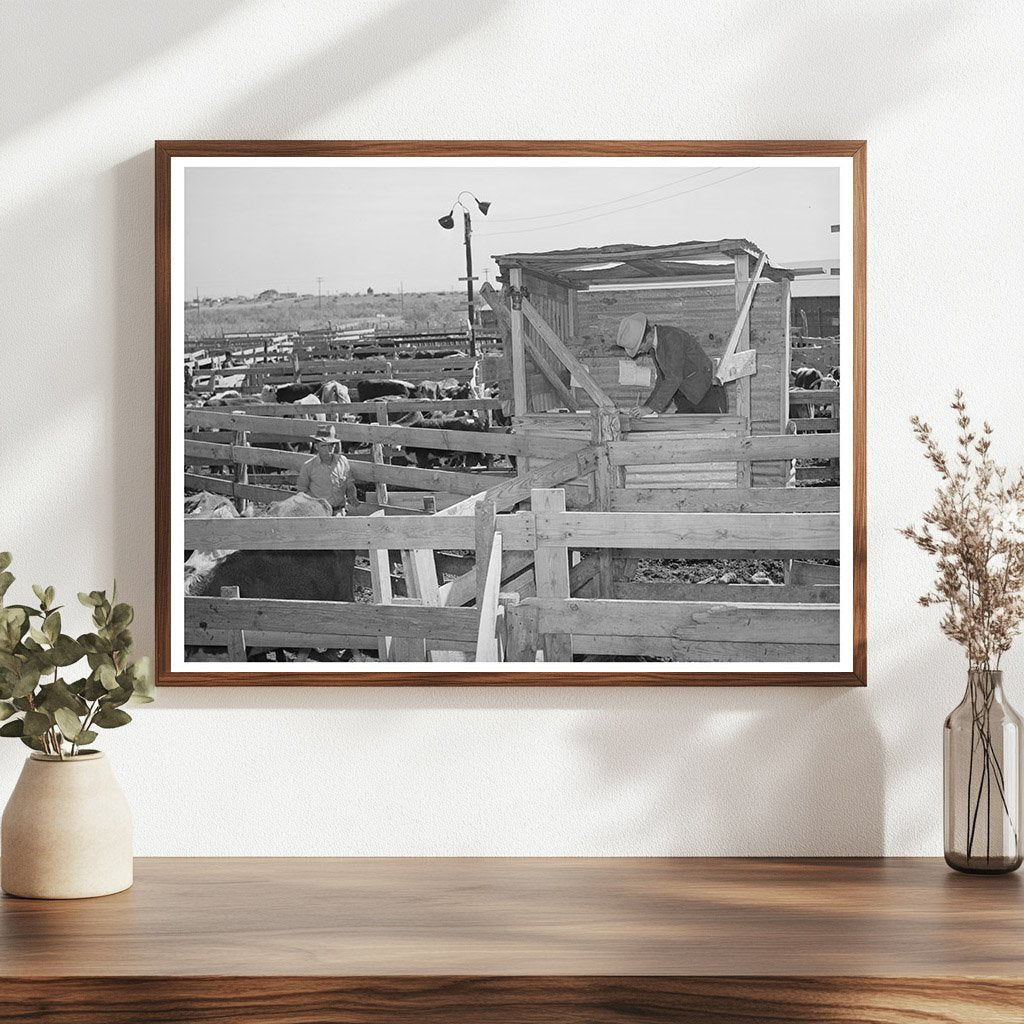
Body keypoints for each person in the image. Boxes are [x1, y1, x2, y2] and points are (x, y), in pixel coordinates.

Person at [615, 312, 727, 418]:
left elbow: (673, 379)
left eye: (639, 348)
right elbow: (662, 380)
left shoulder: (672, 338)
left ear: (647, 337)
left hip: (707, 396)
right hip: (686, 399)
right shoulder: (655, 348)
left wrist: (650, 408)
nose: (640, 352)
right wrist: (646, 407)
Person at [296, 429, 358, 514]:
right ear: (316, 447)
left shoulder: (342, 461)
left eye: (331, 446)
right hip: (318, 513)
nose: (328, 450)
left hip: (339, 511)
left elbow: (350, 484)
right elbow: (301, 493)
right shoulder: (308, 466)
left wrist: (352, 496)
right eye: (323, 446)